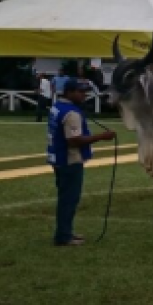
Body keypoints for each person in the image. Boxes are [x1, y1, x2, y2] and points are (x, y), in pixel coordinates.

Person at [46, 80, 116, 246]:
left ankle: (66, 232)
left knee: (66, 198)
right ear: (69, 92)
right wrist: (102, 137)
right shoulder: (71, 113)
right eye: (80, 92)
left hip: (58, 158)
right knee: (69, 199)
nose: (84, 95)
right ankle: (63, 235)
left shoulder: (57, 107)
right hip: (70, 160)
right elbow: (74, 140)